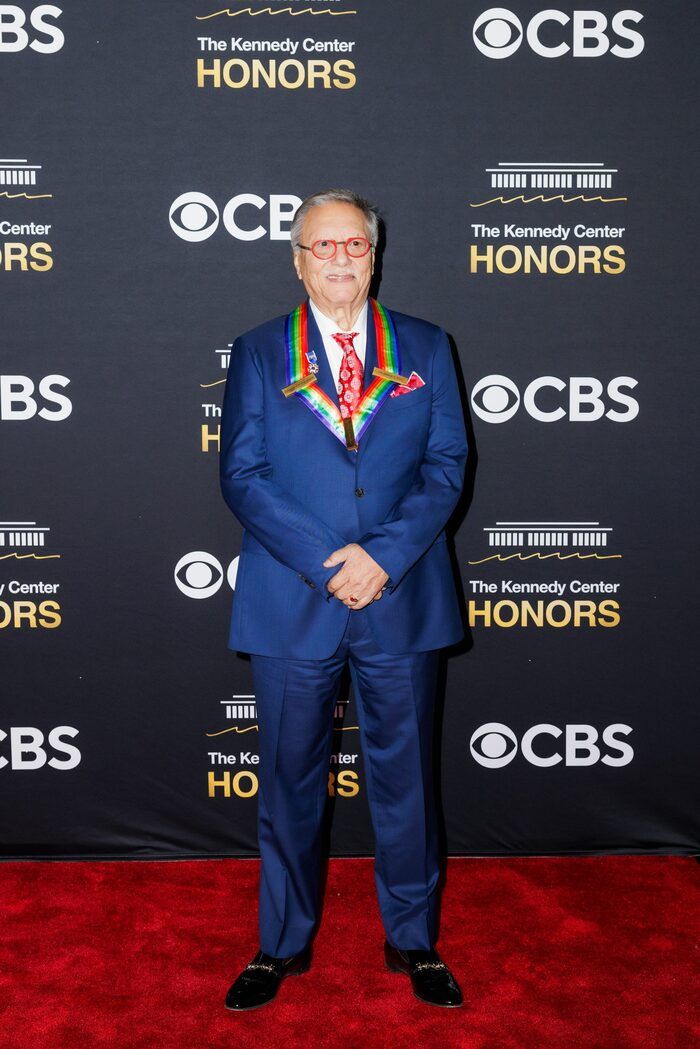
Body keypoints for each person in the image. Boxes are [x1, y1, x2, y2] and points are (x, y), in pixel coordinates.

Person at [219, 188, 468, 1010]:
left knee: (407, 780)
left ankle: (414, 939)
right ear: (297, 259)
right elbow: (243, 477)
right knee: (290, 775)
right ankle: (280, 943)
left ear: (374, 254)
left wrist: (382, 559)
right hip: (297, 596)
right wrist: (334, 563)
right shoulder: (259, 352)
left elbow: (445, 469)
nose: (338, 259)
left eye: (353, 244)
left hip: (399, 595)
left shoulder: (428, 347)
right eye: (321, 246)